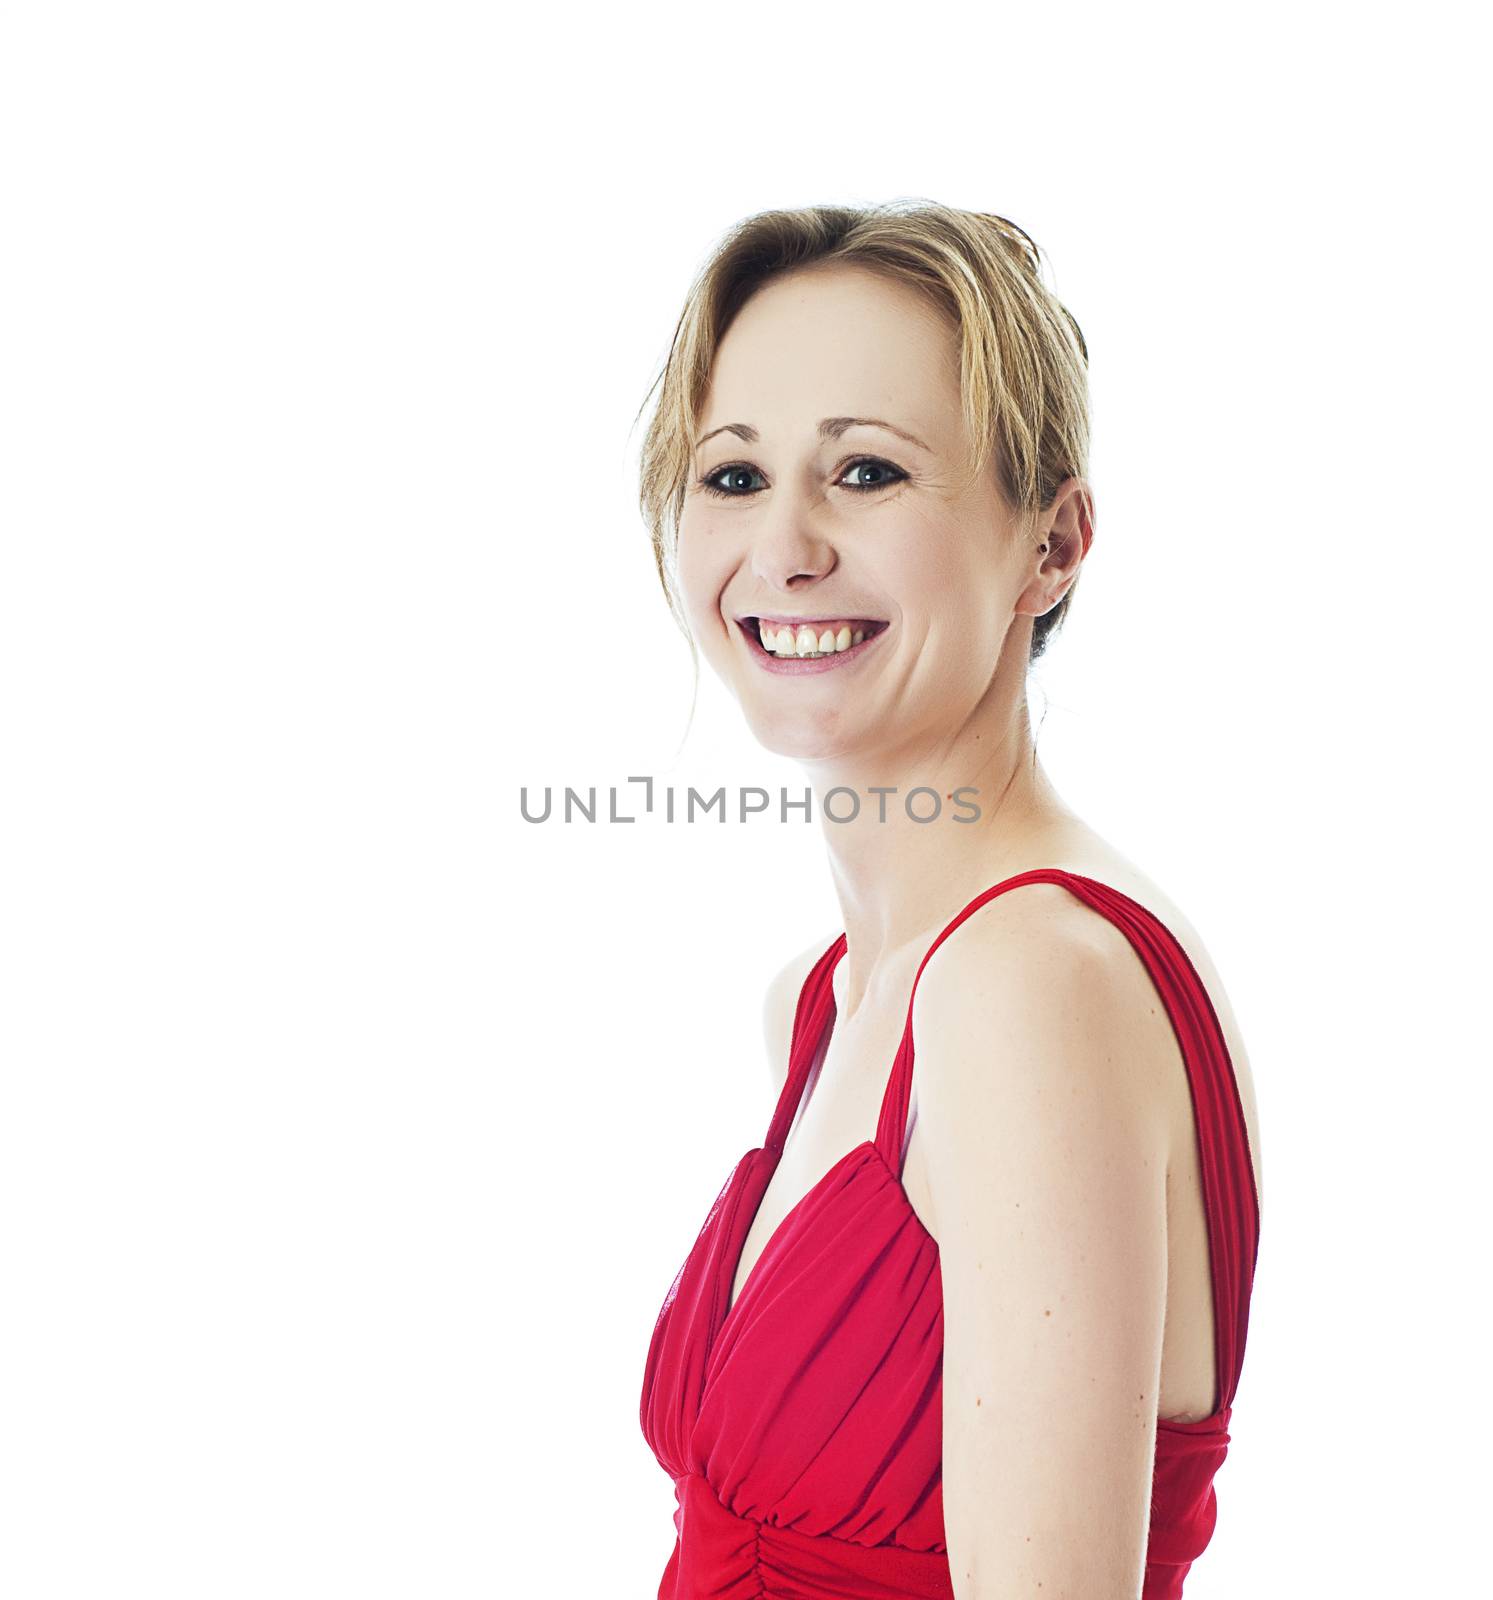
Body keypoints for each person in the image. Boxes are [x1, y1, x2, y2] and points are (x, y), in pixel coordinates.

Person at [636, 200, 1264, 1600]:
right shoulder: (836, 993)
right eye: (732, 477)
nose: (784, 547)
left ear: (1050, 544)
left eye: (864, 472)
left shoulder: (1027, 979)